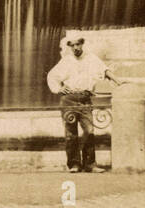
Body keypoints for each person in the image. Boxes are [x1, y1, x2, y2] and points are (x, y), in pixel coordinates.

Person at [46, 35, 118, 173]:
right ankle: (74, 164)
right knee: (70, 133)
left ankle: (90, 164)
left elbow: (105, 70)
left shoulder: (91, 58)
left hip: (85, 99)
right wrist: (59, 88)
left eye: (77, 44)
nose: (75, 48)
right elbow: (52, 75)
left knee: (89, 131)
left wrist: (119, 81)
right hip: (69, 99)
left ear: (82, 44)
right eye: (72, 45)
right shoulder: (66, 61)